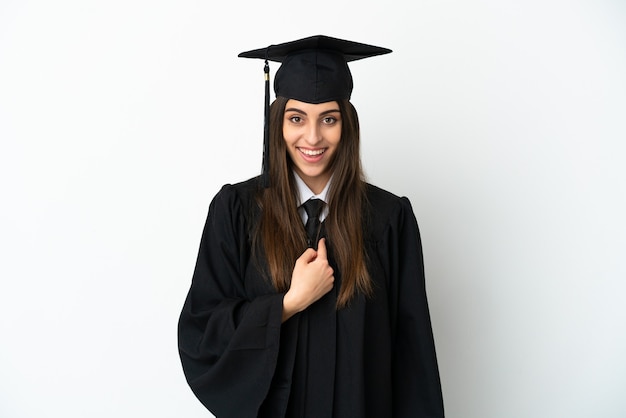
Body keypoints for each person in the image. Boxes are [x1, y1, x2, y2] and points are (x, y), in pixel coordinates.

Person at [178, 35, 445, 418]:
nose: (313, 137)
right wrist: (287, 304)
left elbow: (412, 358)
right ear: (278, 124)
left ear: (347, 125)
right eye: (297, 118)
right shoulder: (236, 211)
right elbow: (201, 334)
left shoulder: (388, 218)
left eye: (329, 119)